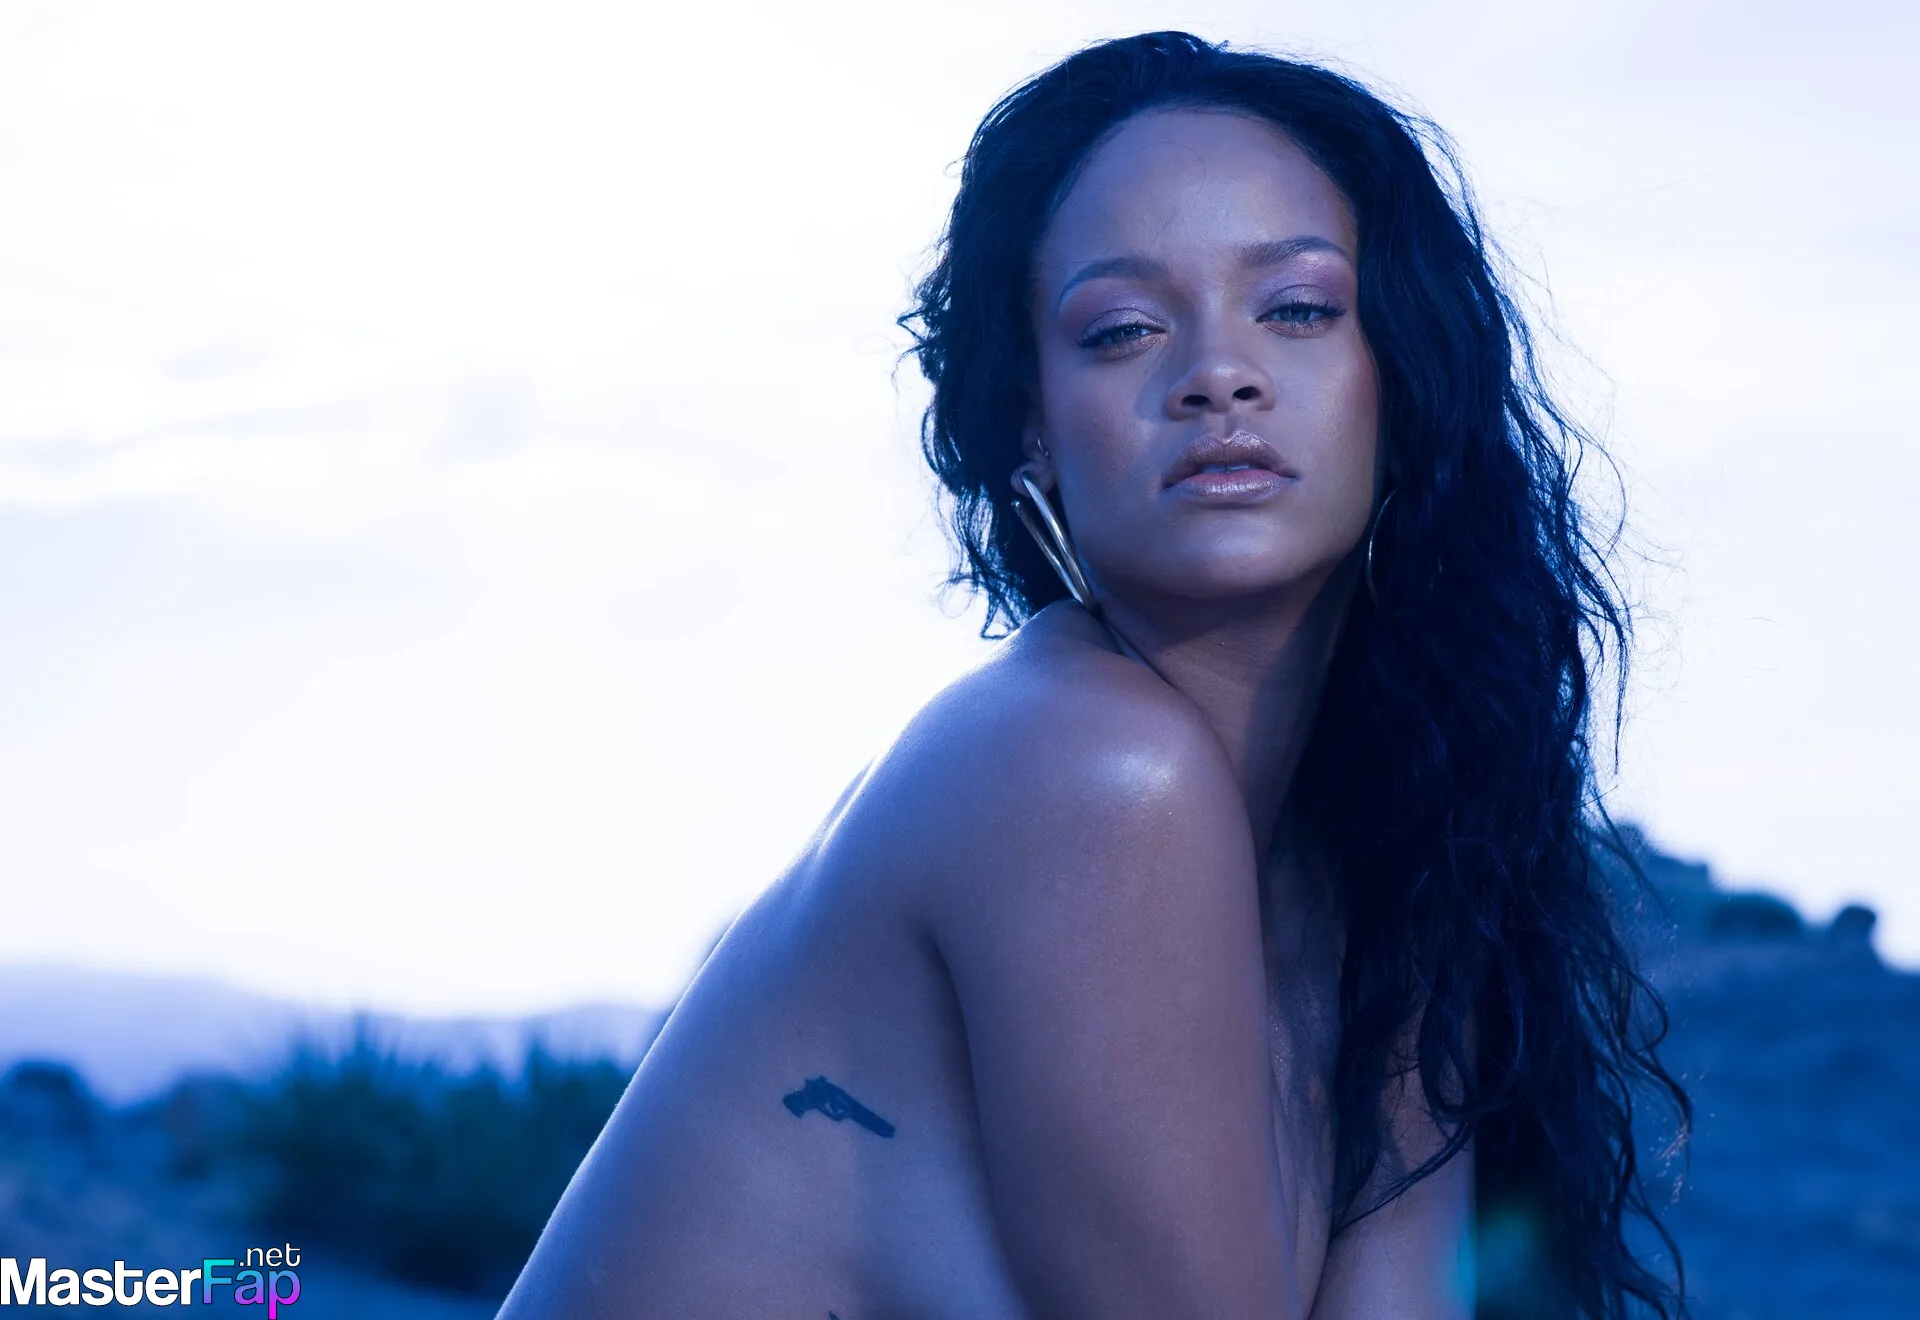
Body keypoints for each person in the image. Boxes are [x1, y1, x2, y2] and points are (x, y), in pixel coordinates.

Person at [498, 30, 1688, 1320]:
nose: (1218, 375)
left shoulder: (1383, 851)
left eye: (1297, 309)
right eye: (1122, 331)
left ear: (1402, 381)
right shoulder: (1085, 769)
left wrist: (1418, 976)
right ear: (1032, 429)